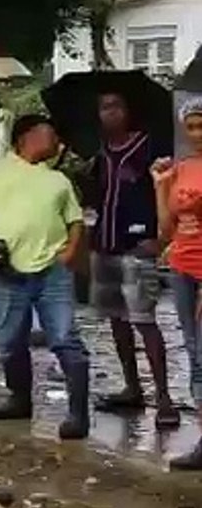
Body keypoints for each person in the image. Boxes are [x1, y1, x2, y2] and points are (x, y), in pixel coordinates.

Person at [0, 114, 91, 440]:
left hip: (52, 271)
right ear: (26, 137)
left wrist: (71, 251)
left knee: (65, 339)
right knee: (9, 341)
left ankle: (78, 414)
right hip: (5, 269)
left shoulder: (58, 180)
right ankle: (19, 399)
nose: (57, 140)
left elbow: (76, 221)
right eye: (50, 133)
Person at [87, 91, 178, 428]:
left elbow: (165, 186)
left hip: (137, 246)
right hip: (105, 245)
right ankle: (132, 386)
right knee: (116, 319)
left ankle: (164, 397)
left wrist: (158, 236)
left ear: (128, 111)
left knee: (144, 320)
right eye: (104, 108)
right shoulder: (98, 154)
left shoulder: (148, 148)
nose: (110, 113)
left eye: (116, 106)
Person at [153, 100, 202, 469]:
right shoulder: (181, 168)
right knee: (194, 351)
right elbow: (167, 229)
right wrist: (160, 186)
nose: (197, 134)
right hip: (182, 266)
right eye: (192, 126)